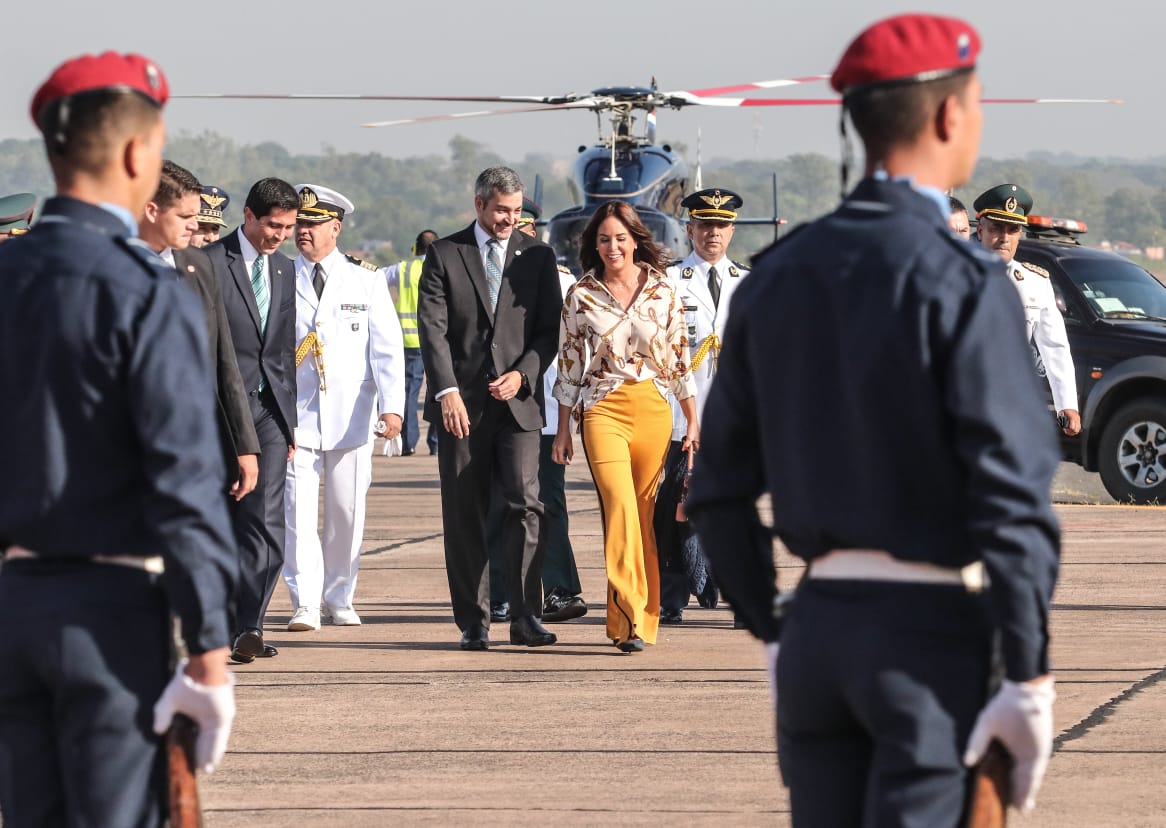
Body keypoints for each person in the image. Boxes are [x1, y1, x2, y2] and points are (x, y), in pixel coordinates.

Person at [686, 15, 1061, 825]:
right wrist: (1028, 673)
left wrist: (775, 629)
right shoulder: (963, 279)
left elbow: (715, 494)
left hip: (819, 632)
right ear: (949, 116)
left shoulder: (775, 277)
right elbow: (1013, 497)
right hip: (927, 639)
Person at [0, 52, 237, 825]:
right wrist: (208, 653)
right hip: (106, 615)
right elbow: (182, 481)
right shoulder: (145, 290)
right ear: (138, 154)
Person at [417, 166, 562, 651]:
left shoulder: (538, 257)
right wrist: (446, 391)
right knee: (465, 512)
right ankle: (474, 620)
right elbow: (433, 330)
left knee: (526, 506)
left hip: (518, 404)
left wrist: (524, 373)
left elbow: (548, 331)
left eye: (516, 211)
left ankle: (525, 616)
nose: (509, 219)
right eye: (502, 210)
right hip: (462, 406)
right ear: (479, 205)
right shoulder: (444, 254)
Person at [552, 201, 698, 653]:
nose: (612, 246)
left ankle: (640, 619)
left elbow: (678, 361)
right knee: (618, 510)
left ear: (635, 239)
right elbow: (570, 365)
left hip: (653, 409)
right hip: (602, 410)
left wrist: (693, 420)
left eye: (619, 238)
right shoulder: (582, 295)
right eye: (602, 239)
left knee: (644, 518)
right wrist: (562, 429)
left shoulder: (663, 291)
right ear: (592, 245)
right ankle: (629, 613)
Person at [283, 184, 405, 630]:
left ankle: (340, 596)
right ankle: (305, 602)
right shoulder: (280, 277)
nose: (304, 232)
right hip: (296, 415)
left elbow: (387, 350)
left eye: (313, 224)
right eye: (300, 224)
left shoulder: (365, 279)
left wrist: (393, 408)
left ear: (336, 227)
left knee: (346, 512)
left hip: (351, 415)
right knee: (295, 513)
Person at [203, 178, 299, 659]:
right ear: (248, 216)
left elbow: (282, 351)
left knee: (267, 523)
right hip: (218, 408)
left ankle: (250, 624)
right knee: (222, 519)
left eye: (287, 227)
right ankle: (218, 622)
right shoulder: (211, 264)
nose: (279, 235)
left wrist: (290, 421)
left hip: (269, 411)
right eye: (272, 225)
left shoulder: (284, 270)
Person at [139, 160, 261, 512]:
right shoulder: (107, 266)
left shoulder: (198, 265)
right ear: (151, 210)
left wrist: (244, 444)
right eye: (185, 216)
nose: (195, 225)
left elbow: (224, 360)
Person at [488, 203, 588, 624]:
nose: (517, 234)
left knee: (548, 503)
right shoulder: (486, 273)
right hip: (499, 404)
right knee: (500, 502)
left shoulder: (564, 280)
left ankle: (560, 590)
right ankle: (503, 594)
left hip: (544, 407)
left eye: (526, 228)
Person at [657, 188, 750, 625]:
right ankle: (672, 597)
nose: (713, 233)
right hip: (677, 416)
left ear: (732, 231)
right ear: (689, 228)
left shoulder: (747, 282)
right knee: (673, 508)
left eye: (721, 225)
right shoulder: (669, 281)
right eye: (705, 224)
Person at [975, 183, 1082, 436]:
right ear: (980, 230)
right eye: (996, 228)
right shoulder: (955, 274)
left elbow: (1054, 345)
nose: (1004, 238)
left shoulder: (1036, 282)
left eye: (1013, 230)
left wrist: (1066, 404)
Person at [383, 228, 440, 456]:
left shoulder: (403, 269)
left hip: (408, 341)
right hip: (437, 341)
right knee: (440, 390)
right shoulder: (443, 266)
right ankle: (437, 444)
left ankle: (408, 443)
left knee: (408, 392)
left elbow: (375, 276)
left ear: (415, 249)